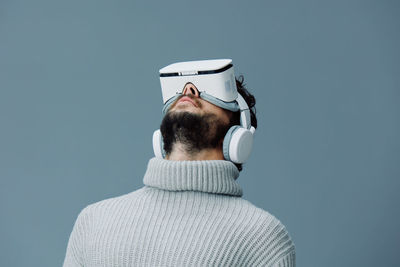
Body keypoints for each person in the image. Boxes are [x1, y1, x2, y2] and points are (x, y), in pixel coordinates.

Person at [63, 60, 295, 267]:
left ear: (238, 136)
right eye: (182, 88)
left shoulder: (263, 240)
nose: (189, 89)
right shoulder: (93, 221)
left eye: (211, 91)